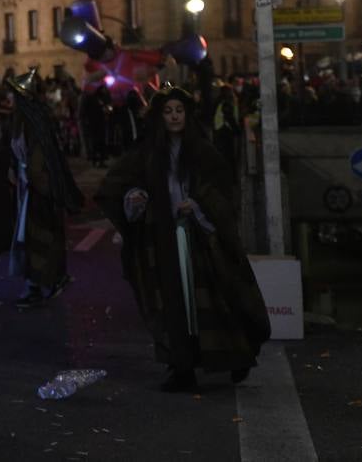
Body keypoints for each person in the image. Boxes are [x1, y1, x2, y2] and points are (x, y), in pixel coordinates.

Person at [94, 87, 269, 392]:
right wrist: (135, 197)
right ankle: (182, 368)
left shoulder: (203, 150)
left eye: (179, 111)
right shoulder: (147, 152)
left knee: (216, 298)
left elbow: (223, 189)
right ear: (159, 116)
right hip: (163, 238)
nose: (174, 117)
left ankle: (235, 356)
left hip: (200, 238)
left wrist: (199, 204)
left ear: (187, 114)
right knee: (171, 304)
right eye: (168, 111)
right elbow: (123, 183)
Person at [0, 68, 84, 308]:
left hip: (36, 191)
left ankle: (38, 285)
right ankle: (40, 282)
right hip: (25, 188)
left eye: (14, 95)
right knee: (28, 238)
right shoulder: (19, 122)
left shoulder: (35, 122)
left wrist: (37, 182)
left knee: (37, 237)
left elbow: (41, 158)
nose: (10, 99)